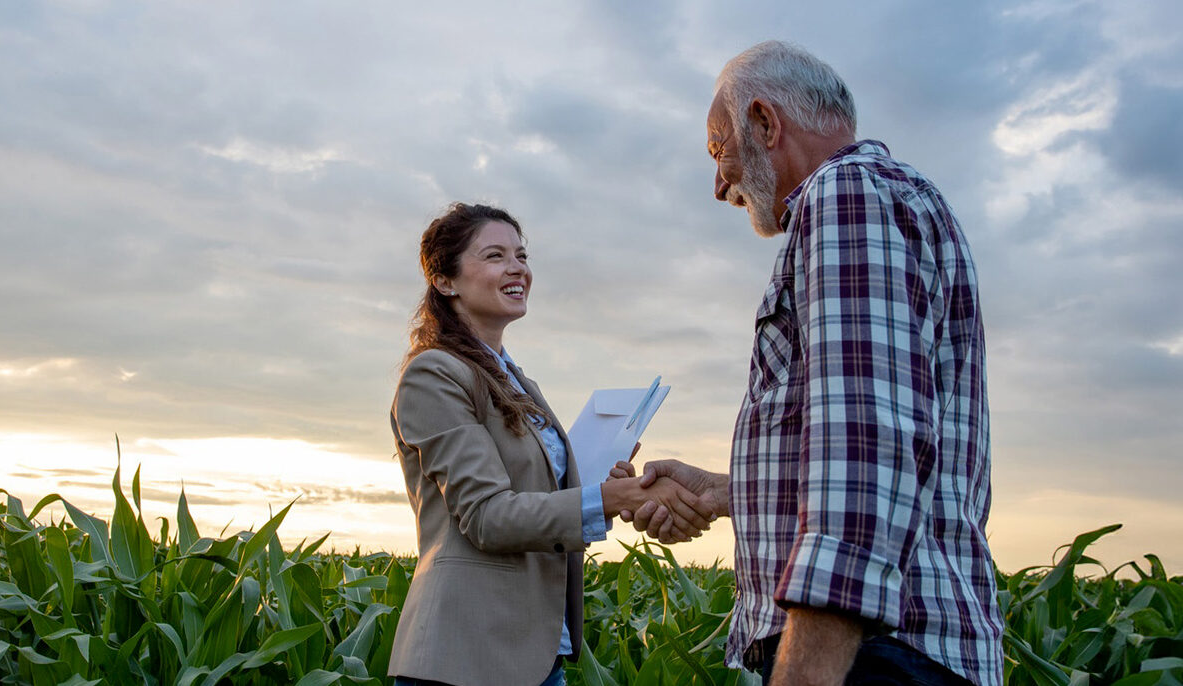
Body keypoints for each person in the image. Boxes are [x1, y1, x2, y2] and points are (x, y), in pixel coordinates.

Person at [623, 40, 1002, 685]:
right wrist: (722, 491)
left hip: (871, 657)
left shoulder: (847, 195)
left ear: (767, 124)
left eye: (720, 151)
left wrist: (805, 673)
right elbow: (884, 442)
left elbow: (865, 451)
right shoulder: (883, 200)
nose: (720, 184)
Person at [388, 202, 712, 686]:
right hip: (465, 656)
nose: (518, 267)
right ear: (445, 281)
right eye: (495, 255)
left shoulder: (519, 382)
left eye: (522, 255)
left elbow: (538, 493)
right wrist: (610, 498)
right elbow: (487, 516)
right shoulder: (434, 374)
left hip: (537, 654)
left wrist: (606, 480)